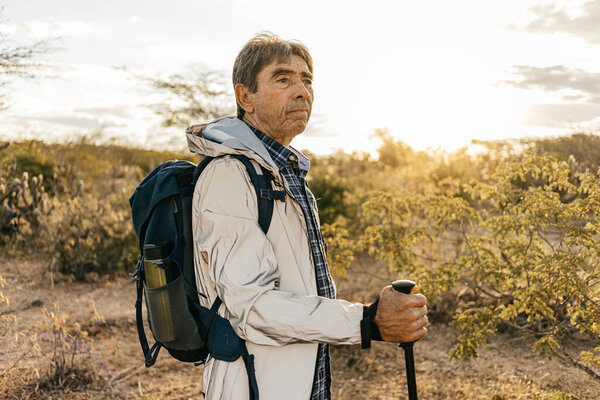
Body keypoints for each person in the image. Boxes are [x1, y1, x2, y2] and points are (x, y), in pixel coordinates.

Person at [186, 32, 429, 400]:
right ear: (245, 97)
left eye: (307, 80)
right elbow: (252, 307)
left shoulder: (286, 173)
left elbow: (300, 291)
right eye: (283, 79)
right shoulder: (229, 176)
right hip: (253, 385)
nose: (302, 91)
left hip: (301, 382)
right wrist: (366, 321)